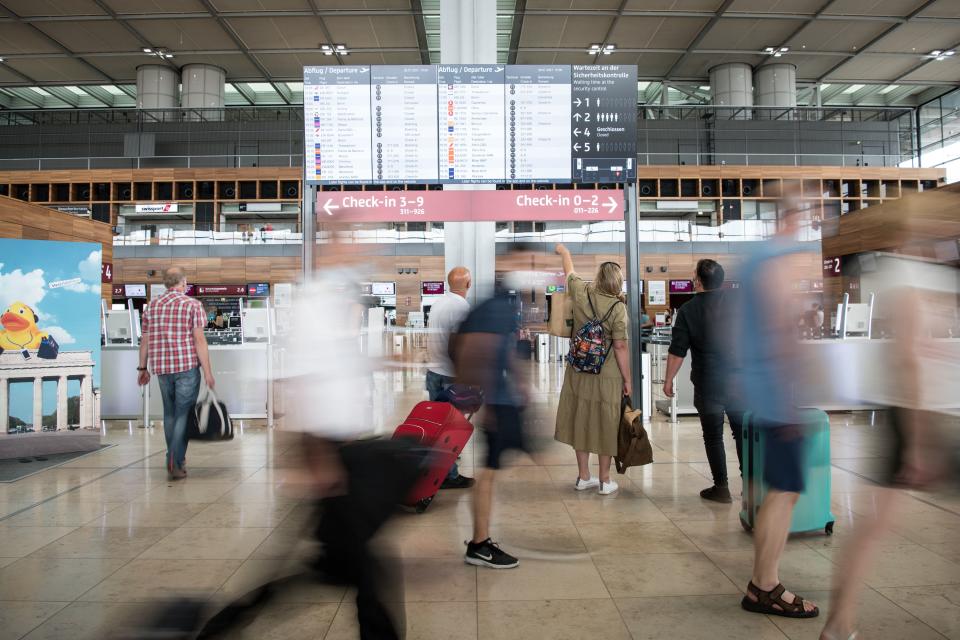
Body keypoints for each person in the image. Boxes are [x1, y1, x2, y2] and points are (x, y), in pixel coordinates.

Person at [736, 200, 819, 620]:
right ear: (790, 218)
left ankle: (762, 582)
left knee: (780, 490)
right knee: (784, 491)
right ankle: (764, 585)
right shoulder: (776, 260)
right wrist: (790, 390)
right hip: (774, 390)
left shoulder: (756, 258)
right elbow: (779, 325)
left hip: (760, 387)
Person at [452, 251, 532, 569]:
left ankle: (479, 541)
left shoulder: (506, 303)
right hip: (496, 400)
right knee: (488, 471)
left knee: (497, 466)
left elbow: (502, 349)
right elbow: (476, 349)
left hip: (502, 398)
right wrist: (485, 400)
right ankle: (479, 543)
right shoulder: (499, 305)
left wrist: (521, 383)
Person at [663, 259, 744, 503]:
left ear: (698, 281)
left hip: (708, 383)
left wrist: (668, 381)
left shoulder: (688, 310)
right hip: (740, 381)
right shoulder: (739, 304)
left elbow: (678, 351)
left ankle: (721, 487)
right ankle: (751, 486)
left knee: (713, 436)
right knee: (742, 434)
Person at [553, 245, 631, 495]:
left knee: (581, 418)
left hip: (579, 368)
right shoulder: (618, 308)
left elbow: (569, 272)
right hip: (606, 375)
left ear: (599, 278)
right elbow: (619, 346)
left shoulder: (582, 292)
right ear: (618, 282)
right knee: (606, 421)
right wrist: (628, 380)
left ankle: (583, 476)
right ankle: (605, 479)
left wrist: (564, 251)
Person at [138, 267, 215, 480]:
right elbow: (199, 340)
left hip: (162, 369)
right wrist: (208, 372)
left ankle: (175, 457)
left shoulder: (151, 307)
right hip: (187, 367)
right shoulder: (192, 305)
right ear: (183, 283)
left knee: (170, 413)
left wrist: (142, 368)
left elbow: (144, 340)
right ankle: (175, 458)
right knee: (184, 414)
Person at [425, 266, 474, 489]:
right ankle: (449, 476)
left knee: (438, 426)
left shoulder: (439, 303)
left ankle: (441, 463)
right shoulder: (461, 306)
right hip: (449, 374)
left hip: (433, 370)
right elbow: (457, 345)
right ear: (468, 284)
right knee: (450, 428)